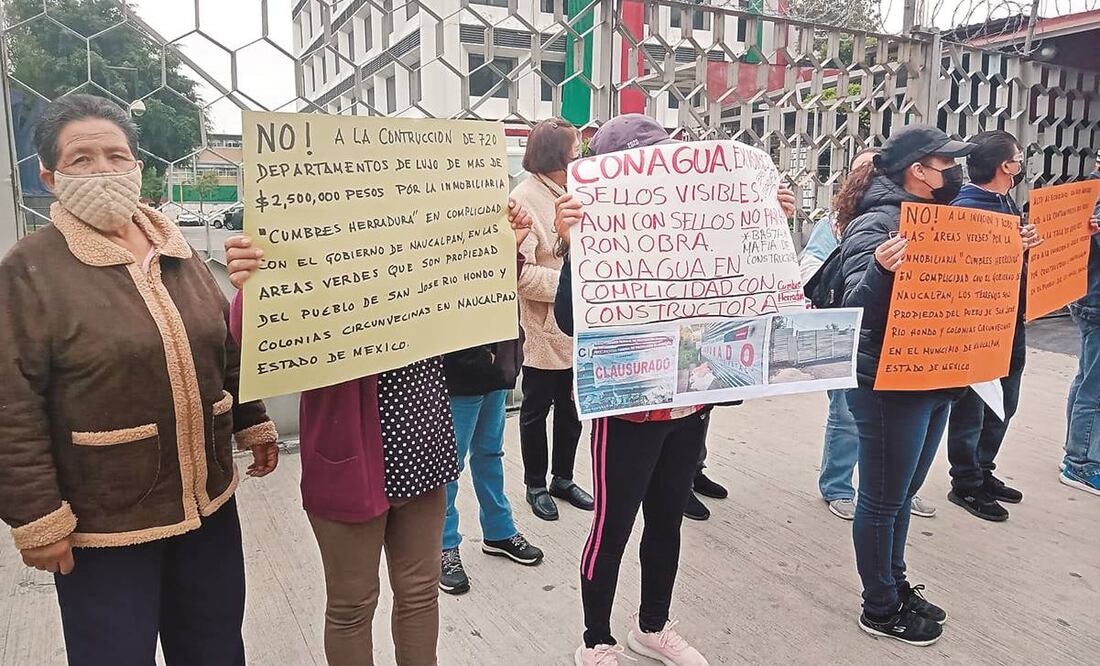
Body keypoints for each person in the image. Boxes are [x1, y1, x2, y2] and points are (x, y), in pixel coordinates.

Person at [0, 94, 279, 666]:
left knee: (214, 646)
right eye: (81, 159)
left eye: (116, 156)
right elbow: (11, 401)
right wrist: (36, 518)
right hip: (107, 517)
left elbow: (219, 346)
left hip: (207, 502)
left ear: (138, 167)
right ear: (51, 177)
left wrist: (251, 421)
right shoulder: (31, 270)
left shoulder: (176, 250)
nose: (103, 170)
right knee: (114, 653)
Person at [225, 201, 532, 665]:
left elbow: (476, 295)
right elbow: (254, 338)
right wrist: (253, 285)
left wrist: (501, 245)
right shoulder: (308, 243)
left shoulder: (421, 238)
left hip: (424, 447)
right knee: (352, 605)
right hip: (346, 459)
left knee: (421, 592)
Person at [553, 114, 796, 665]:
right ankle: (595, 640)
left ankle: (652, 627)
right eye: (651, 157)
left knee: (666, 521)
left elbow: (752, 288)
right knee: (612, 528)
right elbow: (569, 320)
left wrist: (768, 225)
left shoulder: (700, 219)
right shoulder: (594, 225)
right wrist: (572, 248)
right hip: (629, 410)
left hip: (690, 402)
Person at [839, 125, 975, 647]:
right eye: (947, 164)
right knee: (881, 499)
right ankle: (879, 607)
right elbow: (854, 306)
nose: (955, 173)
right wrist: (881, 268)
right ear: (918, 171)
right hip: (888, 382)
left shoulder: (945, 219)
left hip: (936, 374)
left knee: (902, 495)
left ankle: (895, 582)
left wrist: (1015, 252)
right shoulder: (876, 222)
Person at [803, 148, 937, 521]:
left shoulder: (917, 216)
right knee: (846, 415)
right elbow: (811, 268)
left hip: (898, 340)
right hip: (848, 334)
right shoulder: (836, 224)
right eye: (867, 170)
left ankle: (896, 489)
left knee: (896, 428)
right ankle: (838, 486)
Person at [945, 131, 1041, 520]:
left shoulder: (1004, 201)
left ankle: (984, 470)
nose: (1020, 165)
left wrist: (1026, 243)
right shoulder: (965, 208)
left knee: (1005, 401)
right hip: (977, 326)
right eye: (1018, 158)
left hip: (1009, 319)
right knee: (973, 407)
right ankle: (966, 483)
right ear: (1006, 166)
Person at [439, 247, 544, 596]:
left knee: (489, 454)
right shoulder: (435, 235)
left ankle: (499, 531)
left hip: (498, 364)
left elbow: (508, 278)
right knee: (449, 465)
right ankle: (443, 545)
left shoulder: (494, 231)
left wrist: (512, 245)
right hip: (458, 369)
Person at [510, 118, 595, 522]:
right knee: (535, 412)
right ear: (557, 155)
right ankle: (536, 484)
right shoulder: (523, 199)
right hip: (544, 331)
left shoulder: (577, 191)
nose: (580, 154)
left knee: (572, 409)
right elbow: (520, 274)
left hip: (579, 325)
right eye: (575, 148)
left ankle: (563, 478)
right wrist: (571, 285)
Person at [1063, 150, 1100, 496]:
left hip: (1088, 298)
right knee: (1094, 389)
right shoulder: (1097, 196)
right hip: (1095, 304)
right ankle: (1081, 463)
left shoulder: (1091, 191)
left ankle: (1076, 451)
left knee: (1086, 379)